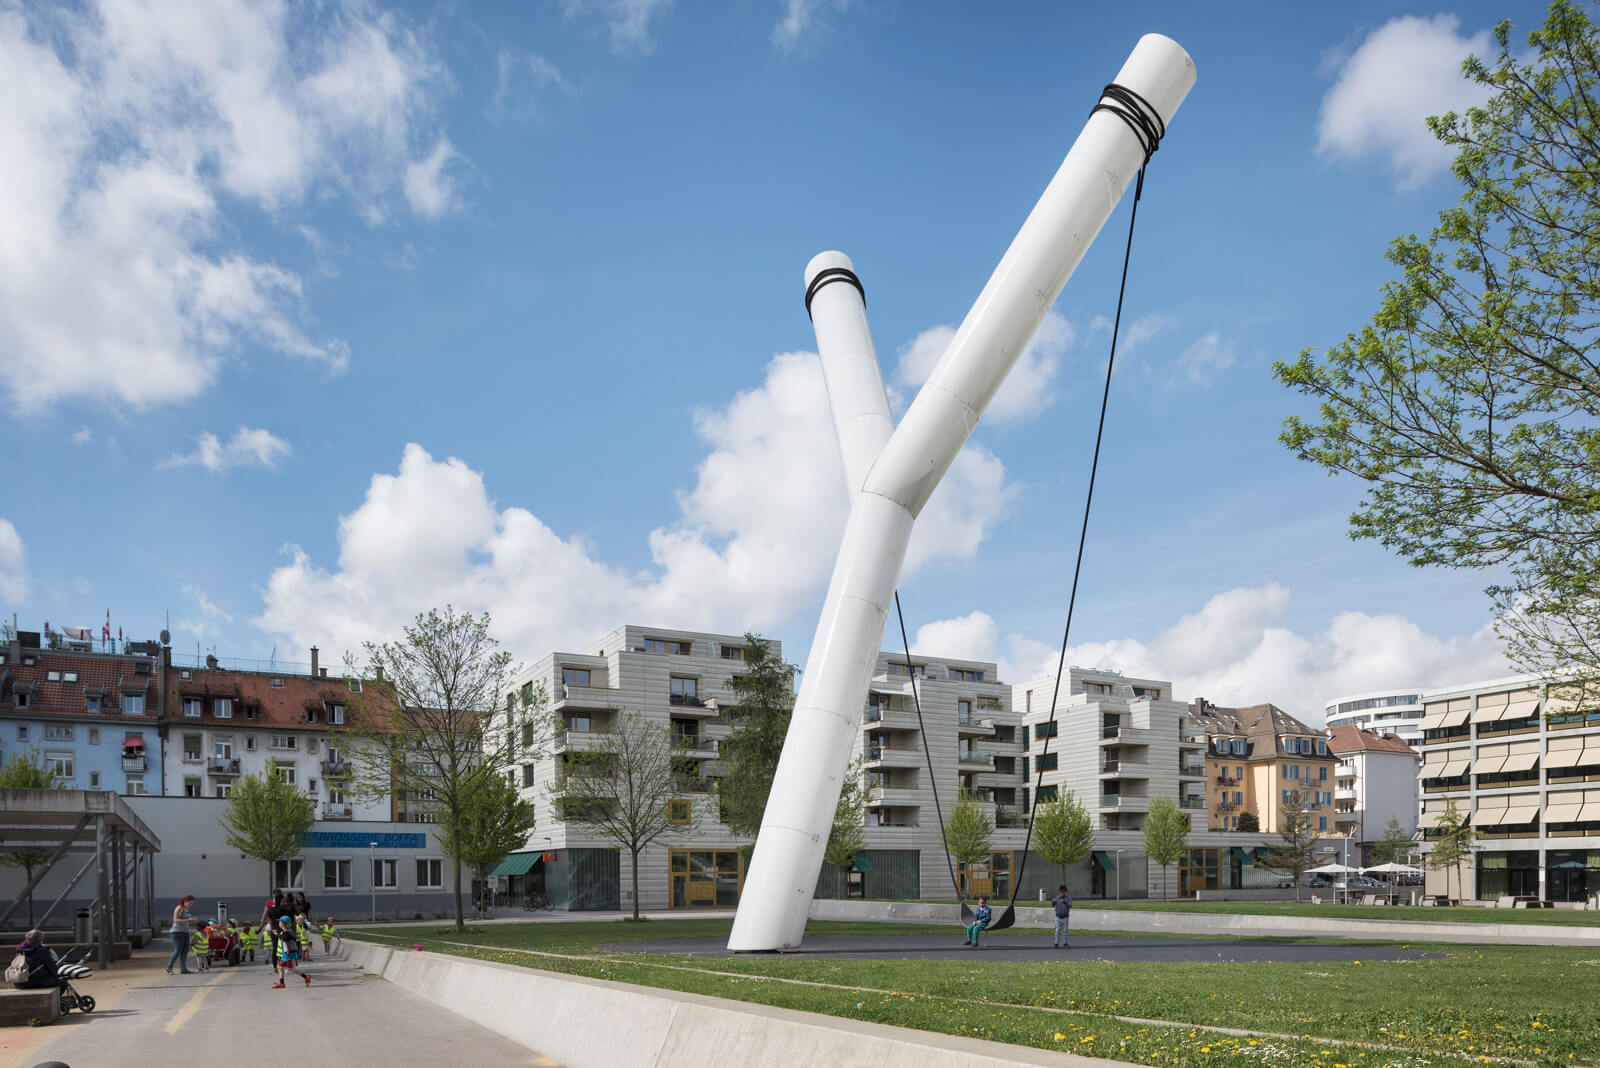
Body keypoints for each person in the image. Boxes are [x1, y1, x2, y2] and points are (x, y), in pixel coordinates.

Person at [272, 916, 310, 989]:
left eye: (280, 921)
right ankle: (281, 983)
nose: (279, 923)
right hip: (285, 953)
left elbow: (285, 938)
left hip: (290, 953)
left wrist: (276, 934)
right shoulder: (285, 931)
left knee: (290, 968)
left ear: (284, 923)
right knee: (280, 967)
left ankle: (306, 977)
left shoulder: (287, 931)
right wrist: (278, 934)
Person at [166, 894, 196, 975]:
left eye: (192, 904)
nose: (191, 905)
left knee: (185, 951)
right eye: (190, 903)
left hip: (185, 932)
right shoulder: (179, 908)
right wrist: (188, 919)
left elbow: (185, 920)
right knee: (178, 950)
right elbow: (176, 920)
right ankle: (169, 967)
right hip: (176, 932)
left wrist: (189, 920)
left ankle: (183, 969)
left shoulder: (186, 909)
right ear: (186, 901)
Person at [1052, 884, 1073, 949]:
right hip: (1058, 917)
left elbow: (1070, 906)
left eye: (1063, 892)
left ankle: (1065, 943)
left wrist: (1065, 902)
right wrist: (1053, 902)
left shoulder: (1069, 898)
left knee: (1065, 931)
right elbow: (1053, 905)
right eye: (1061, 892)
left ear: (1066, 892)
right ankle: (1056, 943)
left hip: (1065, 917)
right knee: (1057, 930)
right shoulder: (1057, 897)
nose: (1062, 894)